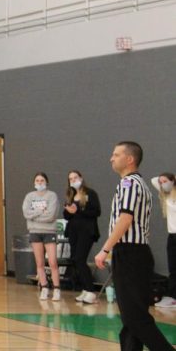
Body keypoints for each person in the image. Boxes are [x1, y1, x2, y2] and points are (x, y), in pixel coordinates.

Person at [92, 142, 172, 351]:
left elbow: (125, 219)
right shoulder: (138, 183)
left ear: (129, 159)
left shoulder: (129, 183)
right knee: (130, 320)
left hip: (130, 254)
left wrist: (105, 249)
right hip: (135, 255)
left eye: (116, 154)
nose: (111, 158)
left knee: (135, 318)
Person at [62, 170, 101, 303]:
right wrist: (69, 211)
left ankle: (91, 290)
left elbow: (96, 211)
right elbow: (66, 216)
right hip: (74, 232)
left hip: (87, 231)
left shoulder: (90, 193)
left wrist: (79, 210)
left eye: (75, 178)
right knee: (75, 260)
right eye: (71, 179)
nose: (73, 180)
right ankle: (85, 288)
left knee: (80, 258)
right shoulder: (71, 195)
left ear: (81, 178)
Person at [23, 172, 61, 300]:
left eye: (42, 180)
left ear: (46, 182)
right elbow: (26, 213)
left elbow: (51, 216)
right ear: (34, 183)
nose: (40, 182)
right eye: (37, 180)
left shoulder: (52, 196)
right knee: (39, 262)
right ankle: (44, 287)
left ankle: (57, 289)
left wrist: (35, 215)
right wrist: (41, 211)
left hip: (49, 232)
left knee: (52, 262)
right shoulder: (29, 197)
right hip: (34, 232)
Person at [150, 172, 176, 308]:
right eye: (161, 182)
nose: (162, 184)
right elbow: (153, 180)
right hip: (172, 236)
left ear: (173, 181)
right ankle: (173, 297)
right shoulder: (167, 195)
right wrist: (163, 181)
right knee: (173, 268)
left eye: (165, 181)